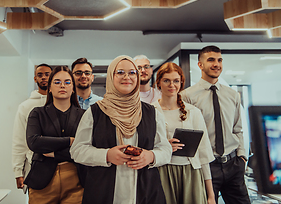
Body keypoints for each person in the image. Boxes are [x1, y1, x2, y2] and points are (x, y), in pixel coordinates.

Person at [70, 55, 172, 204]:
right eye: (120, 72)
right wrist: (106, 155)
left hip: (146, 192)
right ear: (111, 76)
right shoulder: (95, 112)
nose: (127, 77)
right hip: (103, 193)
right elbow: (77, 150)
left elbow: (165, 149)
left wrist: (150, 156)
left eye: (132, 72)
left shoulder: (152, 112)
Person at [181, 45, 250, 204]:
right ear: (200, 65)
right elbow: (188, 134)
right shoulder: (186, 96)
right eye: (211, 60)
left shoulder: (232, 95)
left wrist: (242, 157)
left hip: (234, 164)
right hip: (207, 166)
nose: (216, 64)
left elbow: (237, 129)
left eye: (219, 60)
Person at [152, 62, 215, 204]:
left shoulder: (193, 112)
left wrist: (210, 195)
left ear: (181, 83)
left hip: (191, 173)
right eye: (166, 80)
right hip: (161, 172)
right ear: (158, 83)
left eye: (176, 81)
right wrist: (164, 147)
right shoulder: (150, 112)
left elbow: (203, 154)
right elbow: (144, 146)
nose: (171, 85)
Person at [25, 66, 84, 204]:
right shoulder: (37, 113)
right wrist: (69, 141)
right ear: (50, 88)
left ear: (73, 88)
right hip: (42, 179)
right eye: (57, 82)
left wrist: (55, 154)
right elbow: (34, 142)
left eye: (67, 82)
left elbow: (86, 149)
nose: (62, 85)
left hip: (76, 179)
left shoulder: (85, 115)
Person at [12, 63, 52, 192]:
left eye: (47, 74)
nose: (44, 78)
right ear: (35, 79)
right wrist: (18, 171)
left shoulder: (61, 103)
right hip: (34, 166)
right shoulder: (25, 106)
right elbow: (19, 140)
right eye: (40, 75)